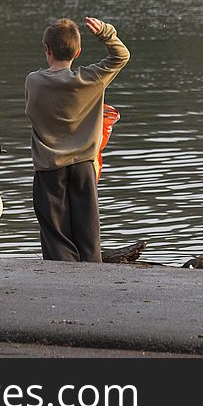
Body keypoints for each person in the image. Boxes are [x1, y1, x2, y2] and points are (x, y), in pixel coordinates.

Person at [25, 16, 130, 262]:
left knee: (55, 235)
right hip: (84, 165)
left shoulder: (34, 81)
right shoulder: (91, 79)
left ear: (47, 50)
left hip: (49, 169)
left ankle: (62, 285)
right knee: (88, 234)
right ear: (78, 51)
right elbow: (121, 56)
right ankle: (91, 282)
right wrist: (106, 32)